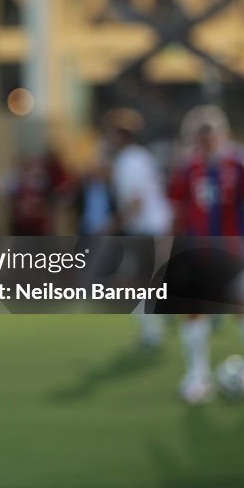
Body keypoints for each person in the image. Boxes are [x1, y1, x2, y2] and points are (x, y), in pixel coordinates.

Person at [166, 105, 244, 404]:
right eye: (199, 136)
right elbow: (177, 211)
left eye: (210, 134)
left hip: (232, 248)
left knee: (242, 306)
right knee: (193, 310)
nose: (205, 141)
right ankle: (197, 375)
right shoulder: (187, 167)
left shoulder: (241, 161)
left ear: (222, 133)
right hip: (197, 250)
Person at [103, 109, 173, 348]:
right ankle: (153, 329)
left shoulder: (128, 161)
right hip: (153, 226)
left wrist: (112, 224)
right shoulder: (138, 157)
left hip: (147, 229)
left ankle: (152, 332)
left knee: (131, 282)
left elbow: (136, 201)